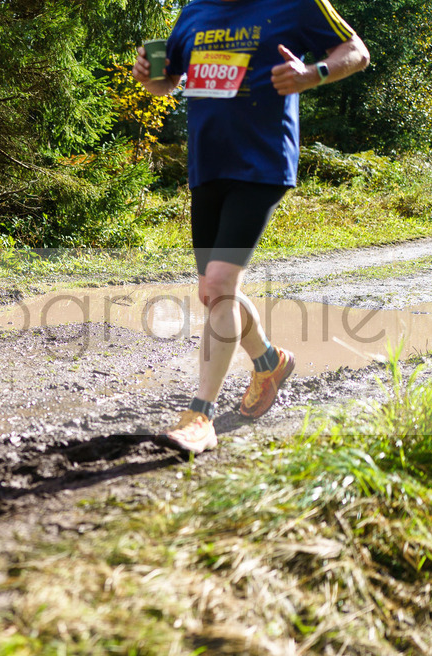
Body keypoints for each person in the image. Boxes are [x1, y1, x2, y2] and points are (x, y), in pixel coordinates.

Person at [132, 0, 370, 453]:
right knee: (211, 292)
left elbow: (356, 51)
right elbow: (169, 82)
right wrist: (151, 79)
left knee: (220, 284)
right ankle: (270, 360)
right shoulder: (193, 13)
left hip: (261, 164)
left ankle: (199, 417)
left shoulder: (296, 4)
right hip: (207, 167)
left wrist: (312, 74)